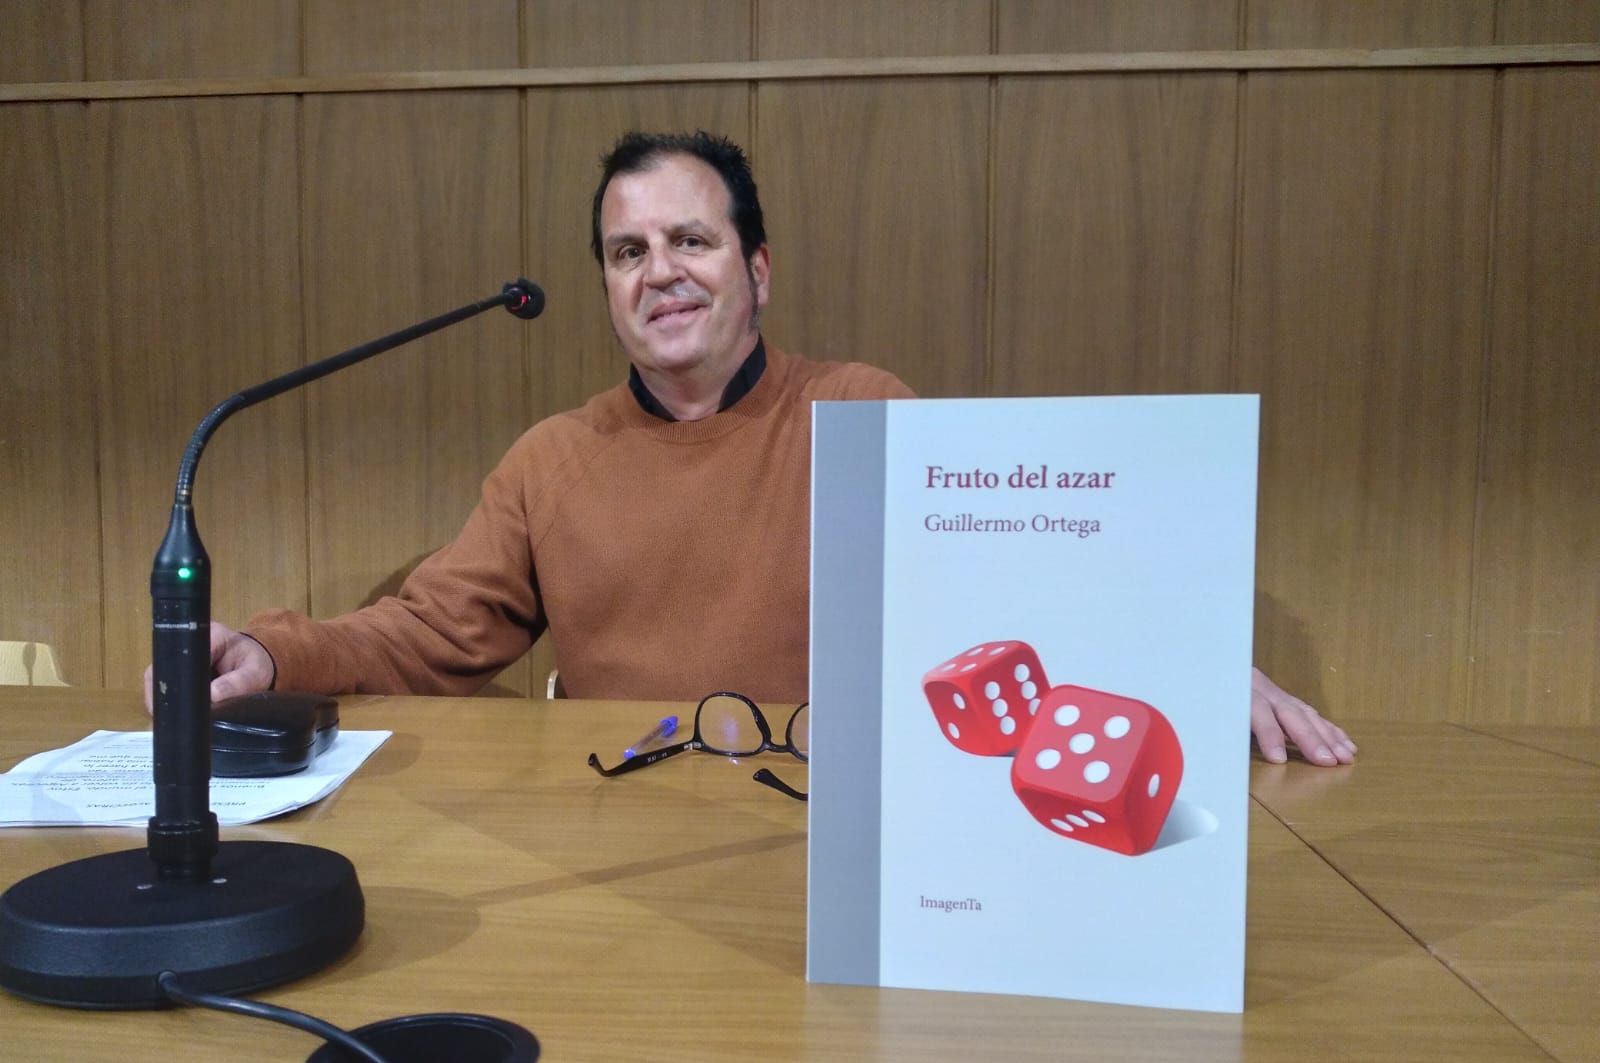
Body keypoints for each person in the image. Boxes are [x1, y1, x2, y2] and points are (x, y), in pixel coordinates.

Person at [144, 131, 1356, 768]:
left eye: (692, 241)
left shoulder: (866, 411)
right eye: (628, 253)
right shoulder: (552, 459)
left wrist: (1165, 660)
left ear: (756, 270)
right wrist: (271, 651)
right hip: (618, 823)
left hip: (827, 827)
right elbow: (425, 633)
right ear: (608, 289)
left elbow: (1012, 594)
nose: (660, 272)